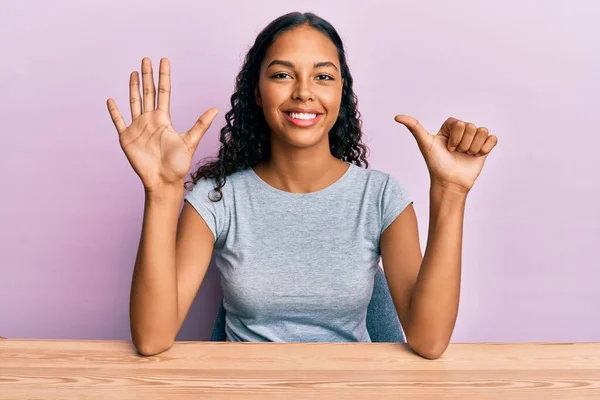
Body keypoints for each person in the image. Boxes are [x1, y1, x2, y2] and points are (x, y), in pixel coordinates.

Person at [106, 12, 498, 359]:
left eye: (323, 76)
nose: (304, 91)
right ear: (257, 92)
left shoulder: (380, 197)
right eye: (282, 75)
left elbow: (429, 342)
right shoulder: (218, 199)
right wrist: (161, 191)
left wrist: (451, 193)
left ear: (341, 90)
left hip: (352, 389)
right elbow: (152, 340)